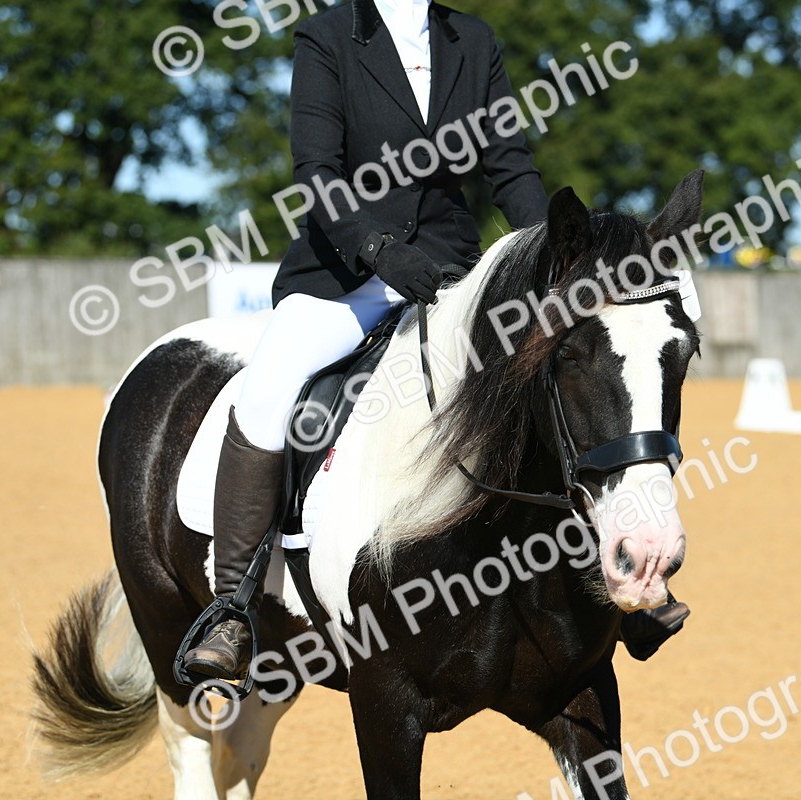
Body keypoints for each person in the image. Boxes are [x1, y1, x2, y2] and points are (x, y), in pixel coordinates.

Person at [182, 0, 550, 680]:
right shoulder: (326, 36)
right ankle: (232, 606)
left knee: (548, 372)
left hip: (449, 271)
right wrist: (378, 249)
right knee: (266, 394)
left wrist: (557, 252)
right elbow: (315, 172)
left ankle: (592, 573)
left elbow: (509, 165)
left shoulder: (471, 38)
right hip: (345, 273)